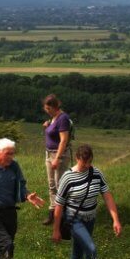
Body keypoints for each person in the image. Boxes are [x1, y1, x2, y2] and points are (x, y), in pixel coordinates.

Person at [52, 144, 122, 259]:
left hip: (90, 219)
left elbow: (108, 197)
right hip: (74, 219)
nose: (87, 166)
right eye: (84, 163)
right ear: (77, 159)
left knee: (78, 251)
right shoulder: (68, 177)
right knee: (91, 248)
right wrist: (56, 229)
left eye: (89, 162)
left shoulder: (96, 174)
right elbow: (58, 205)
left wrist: (115, 220)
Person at [42, 94, 72, 225]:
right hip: (49, 154)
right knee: (52, 185)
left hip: (58, 155)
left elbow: (64, 140)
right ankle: (53, 212)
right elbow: (54, 133)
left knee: (60, 185)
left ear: (54, 107)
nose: (46, 111)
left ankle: (63, 214)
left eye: (48, 108)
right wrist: (47, 126)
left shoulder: (63, 118)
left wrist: (57, 158)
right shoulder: (54, 118)